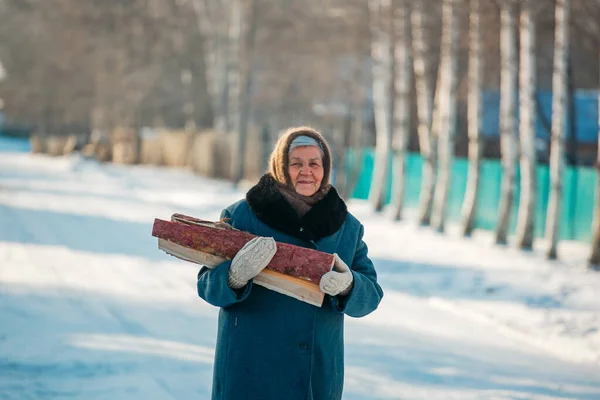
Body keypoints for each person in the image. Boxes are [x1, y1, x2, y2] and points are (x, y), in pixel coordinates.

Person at [197, 126, 384, 400]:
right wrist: (233, 277)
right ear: (280, 166)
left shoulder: (346, 227)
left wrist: (350, 286)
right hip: (250, 369)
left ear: (325, 167)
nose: (306, 171)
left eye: (314, 163)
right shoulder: (242, 216)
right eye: (296, 163)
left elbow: (371, 295)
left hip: (313, 375)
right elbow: (206, 285)